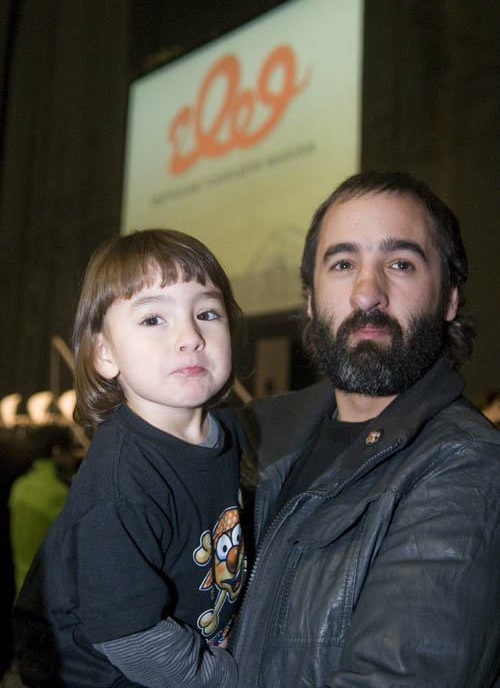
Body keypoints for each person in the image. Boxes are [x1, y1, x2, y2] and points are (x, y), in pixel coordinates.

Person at [231, 170, 500, 687]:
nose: (366, 293)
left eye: (400, 263)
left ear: (449, 297)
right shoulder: (252, 438)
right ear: (311, 300)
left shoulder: (467, 467)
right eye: (342, 263)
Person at [12, 229, 246, 688]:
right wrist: (226, 675)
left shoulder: (230, 433)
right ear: (105, 354)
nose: (190, 336)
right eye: (153, 319)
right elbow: (132, 637)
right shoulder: (122, 482)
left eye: (206, 313)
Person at [9, 423, 79, 597]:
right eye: (71, 450)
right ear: (57, 451)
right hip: (53, 594)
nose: (74, 456)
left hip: (23, 589)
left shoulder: (20, 486)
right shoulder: (57, 492)